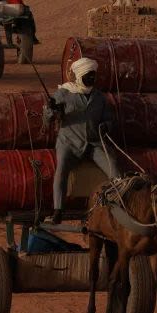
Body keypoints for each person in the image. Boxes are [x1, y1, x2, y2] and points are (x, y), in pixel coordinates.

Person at [44, 58, 116, 225]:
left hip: (93, 143)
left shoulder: (99, 97)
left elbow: (109, 119)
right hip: (68, 143)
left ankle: (115, 206)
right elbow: (47, 120)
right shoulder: (63, 93)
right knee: (61, 169)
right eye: (88, 76)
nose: (92, 79)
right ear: (79, 76)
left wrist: (106, 126)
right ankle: (58, 211)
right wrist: (51, 110)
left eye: (93, 76)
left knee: (114, 167)